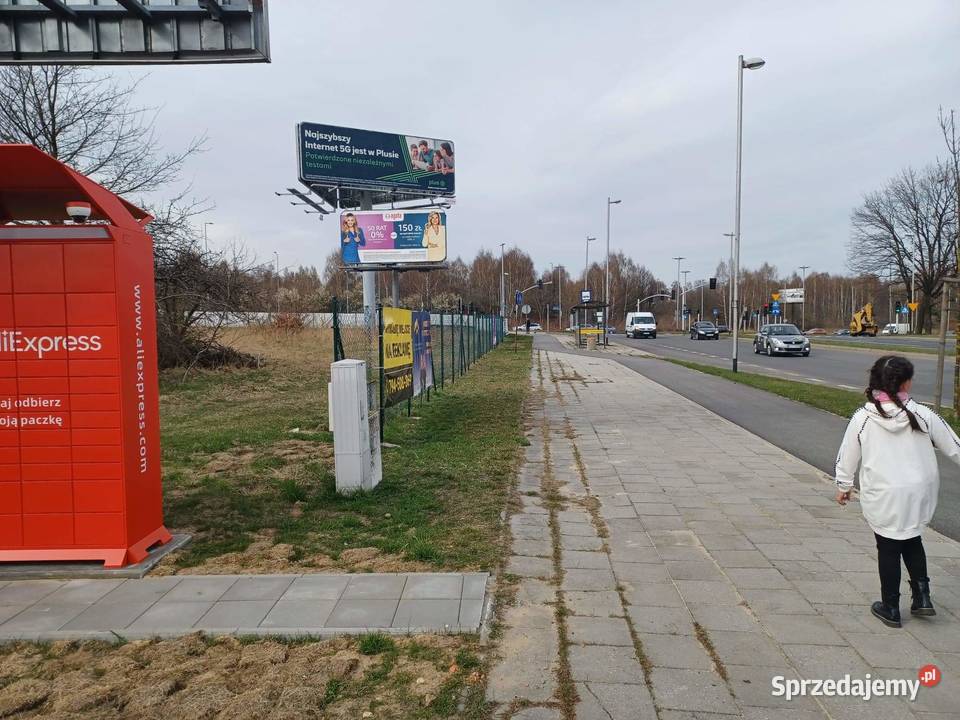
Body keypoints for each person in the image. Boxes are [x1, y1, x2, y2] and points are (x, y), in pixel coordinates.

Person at [835, 355, 960, 627]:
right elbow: (954, 447)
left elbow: (847, 456)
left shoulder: (863, 418)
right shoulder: (924, 414)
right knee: (913, 538)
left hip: (884, 493)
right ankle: (922, 597)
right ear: (905, 382)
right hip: (919, 493)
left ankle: (890, 605)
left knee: (888, 546)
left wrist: (844, 486)